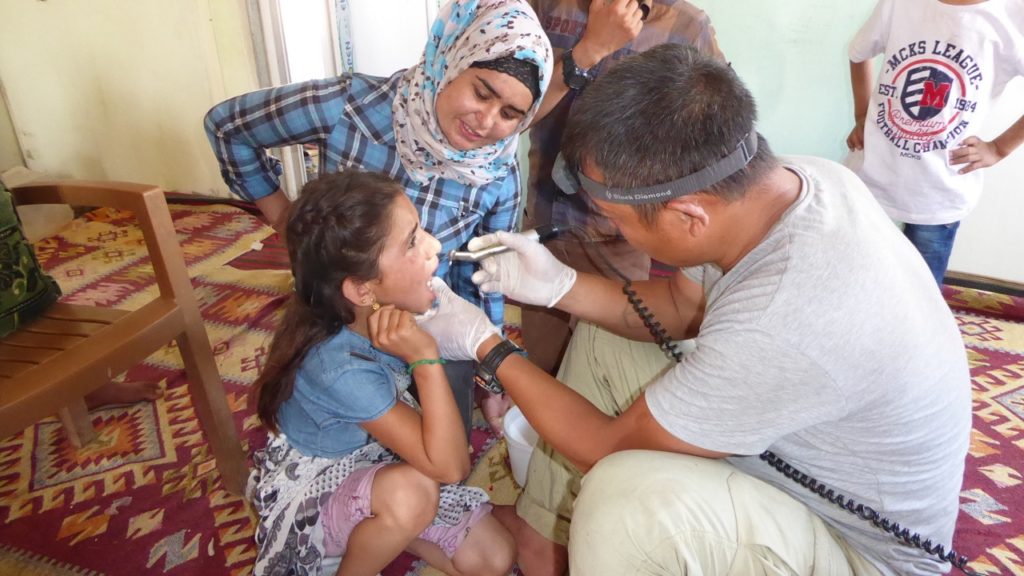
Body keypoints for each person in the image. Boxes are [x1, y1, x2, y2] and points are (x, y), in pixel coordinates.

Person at [416, 44, 972, 576]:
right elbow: (683, 306)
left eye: (618, 218)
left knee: (624, 500)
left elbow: (607, 448)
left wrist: (487, 344)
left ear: (689, 216)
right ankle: (544, 540)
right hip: (797, 447)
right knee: (604, 339)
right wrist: (559, 286)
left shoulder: (782, 317)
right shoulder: (796, 181)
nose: (611, 229)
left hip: (855, 545)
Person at [204, 0, 553, 436]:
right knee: (329, 430)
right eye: (482, 93)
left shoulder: (497, 169)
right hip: (336, 315)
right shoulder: (350, 108)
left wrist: (489, 365)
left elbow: (480, 273)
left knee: (442, 442)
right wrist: (284, 218)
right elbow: (228, 127)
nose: (485, 123)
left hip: (429, 326)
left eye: (510, 114)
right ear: (450, 60)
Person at [248, 170, 514, 576]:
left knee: (493, 558)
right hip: (319, 488)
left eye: (420, 229)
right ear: (362, 290)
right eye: (411, 241)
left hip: (374, 458)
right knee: (413, 492)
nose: (434, 246)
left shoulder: (380, 310)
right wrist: (425, 359)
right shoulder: (338, 368)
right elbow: (451, 468)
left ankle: (388, 523)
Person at [521, 0, 723, 374]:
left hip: (622, 237)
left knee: (604, 364)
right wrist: (590, 49)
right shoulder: (546, 7)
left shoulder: (686, 26)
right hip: (545, 219)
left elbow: (712, 131)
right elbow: (514, 112)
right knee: (542, 361)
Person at [846, 0, 1024, 286]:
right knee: (857, 278)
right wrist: (861, 114)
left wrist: (998, 148)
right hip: (871, 178)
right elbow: (858, 53)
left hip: (941, 192)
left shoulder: (1013, 16)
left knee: (921, 291)